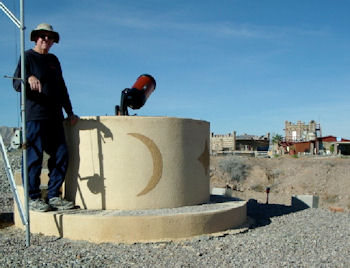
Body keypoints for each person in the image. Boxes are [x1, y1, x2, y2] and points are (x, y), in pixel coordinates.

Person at [13, 23, 79, 212]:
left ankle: (53, 196)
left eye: (50, 38)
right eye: (43, 36)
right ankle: (33, 198)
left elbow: (61, 87)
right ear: (36, 38)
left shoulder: (54, 60)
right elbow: (17, 84)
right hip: (35, 116)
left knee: (61, 155)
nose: (46, 40)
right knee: (34, 156)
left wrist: (70, 112)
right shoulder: (27, 57)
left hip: (55, 116)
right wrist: (29, 78)